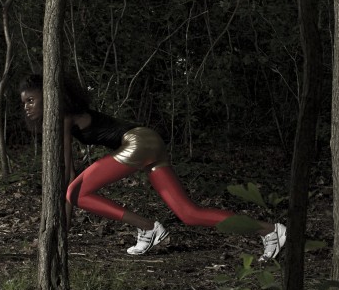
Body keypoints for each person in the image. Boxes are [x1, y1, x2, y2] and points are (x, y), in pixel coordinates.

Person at [19, 73, 286, 260]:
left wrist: (56, 237)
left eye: (31, 100)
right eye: (24, 103)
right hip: (148, 141)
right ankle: (269, 229)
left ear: (48, 95)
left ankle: (147, 227)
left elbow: (68, 177)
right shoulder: (64, 117)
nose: (27, 107)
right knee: (189, 214)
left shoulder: (63, 115)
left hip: (137, 142)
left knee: (75, 192)